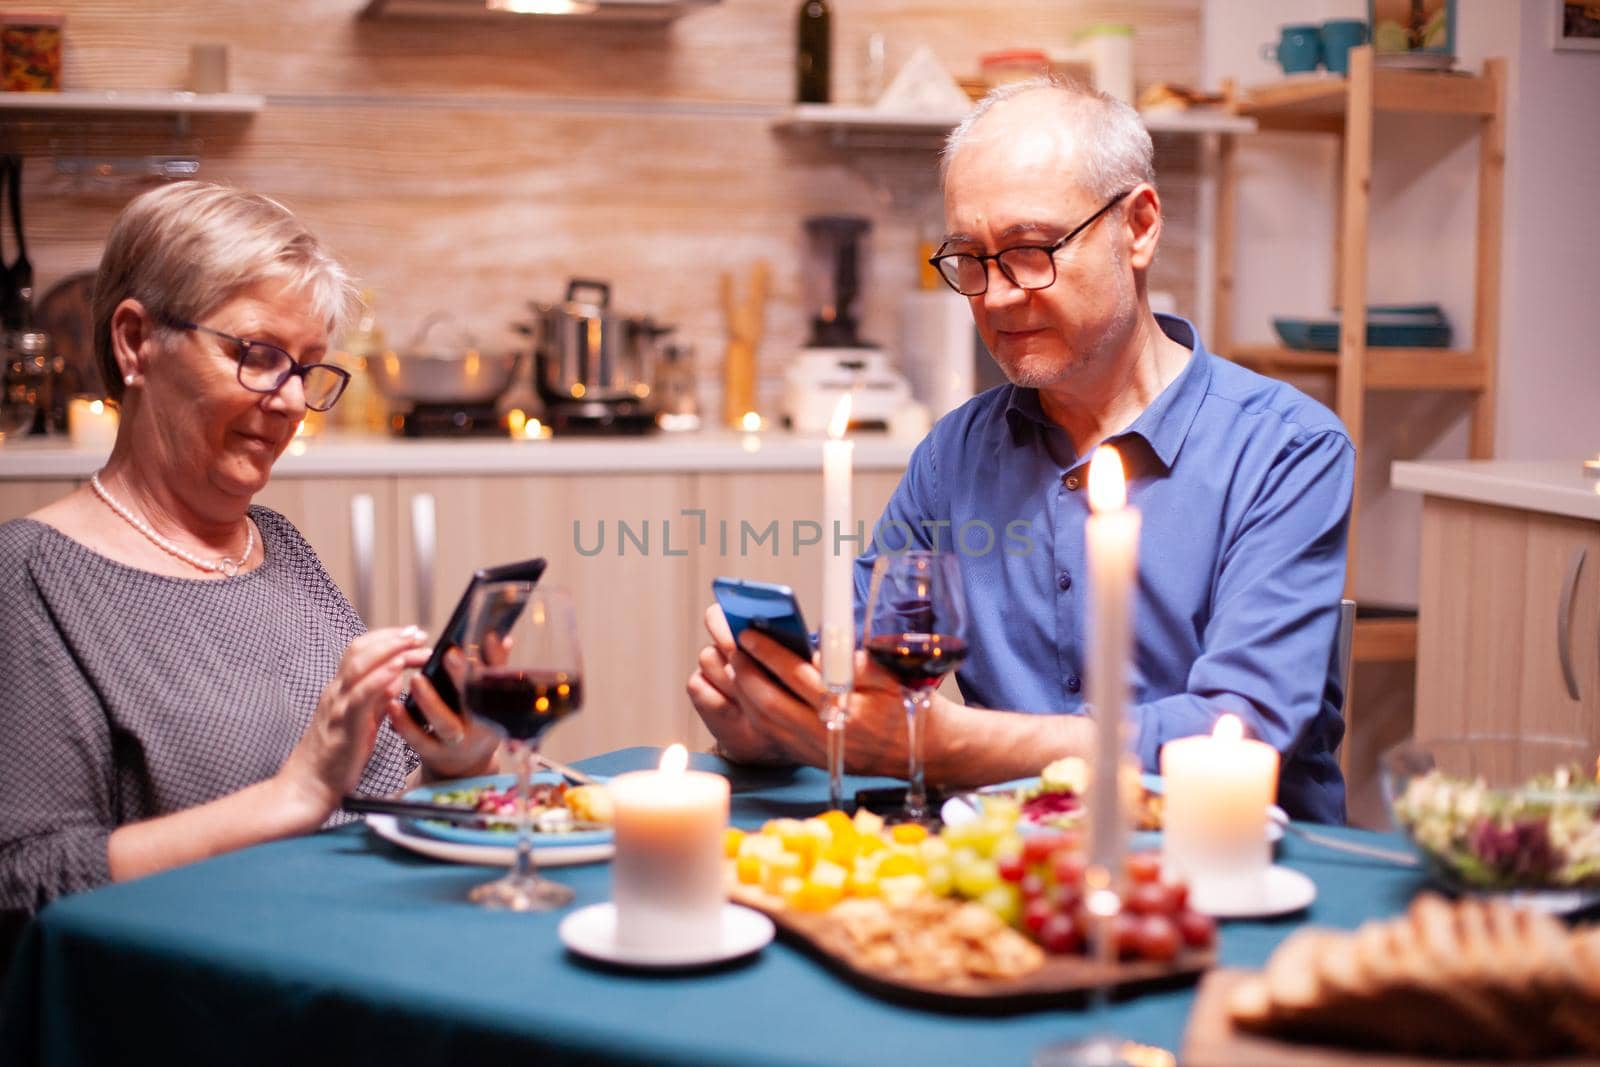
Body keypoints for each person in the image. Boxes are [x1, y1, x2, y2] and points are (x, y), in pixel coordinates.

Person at [688, 78, 1353, 825]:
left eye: (1031, 251)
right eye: (970, 259)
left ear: (1138, 227)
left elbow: (1241, 734)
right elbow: (856, 665)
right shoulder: (957, 454)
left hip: (1242, 877)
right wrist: (774, 715)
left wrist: (950, 743)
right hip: (1008, 868)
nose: (997, 295)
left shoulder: (1287, 451)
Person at [0, 182, 498, 970]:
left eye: (306, 368)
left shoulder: (277, 546)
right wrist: (291, 796)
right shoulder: (29, 578)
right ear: (135, 342)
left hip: (350, 964)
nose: (293, 400)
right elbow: (25, 887)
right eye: (259, 356)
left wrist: (449, 761)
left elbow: (367, 798)